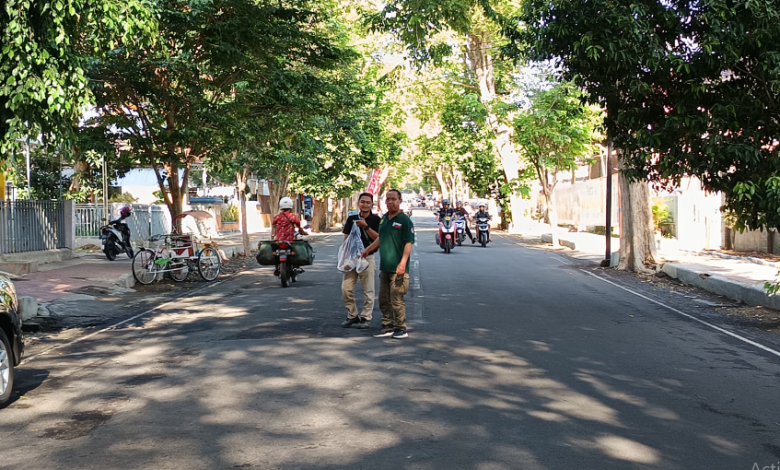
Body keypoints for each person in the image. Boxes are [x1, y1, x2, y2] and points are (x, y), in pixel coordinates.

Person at [361, 189, 415, 339]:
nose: (390, 202)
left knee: (396, 298)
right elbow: (380, 238)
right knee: (384, 299)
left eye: (393, 199)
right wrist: (368, 250)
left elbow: (409, 242)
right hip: (385, 266)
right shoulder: (384, 219)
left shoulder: (404, 220)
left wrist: (403, 263)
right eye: (388, 199)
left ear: (400, 201)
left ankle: (401, 328)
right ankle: (388, 325)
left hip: (398, 267)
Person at [341, 192, 381, 329]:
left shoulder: (376, 220)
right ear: (358, 203)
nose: (365, 204)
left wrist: (365, 226)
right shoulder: (351, 218)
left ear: (372, 205)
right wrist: (345, 256)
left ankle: (366, 317)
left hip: (367, 257)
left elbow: (379, 238)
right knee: (346, 288)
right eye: (362, 202)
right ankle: (352, 315)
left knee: (368, 290)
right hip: (352, 258)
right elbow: (346, 239)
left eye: (368, 202)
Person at [272, 197, 307, 275]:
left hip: (279, 241)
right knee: (297, 251)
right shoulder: (293, 216)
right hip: (290, 240)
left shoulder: (277, 217)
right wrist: (303, 232)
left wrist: (273, 235)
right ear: (291, 206)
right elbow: (299, 226)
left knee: (275, 252)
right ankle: (296, 267)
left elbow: (273, 225)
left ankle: (277, 268)